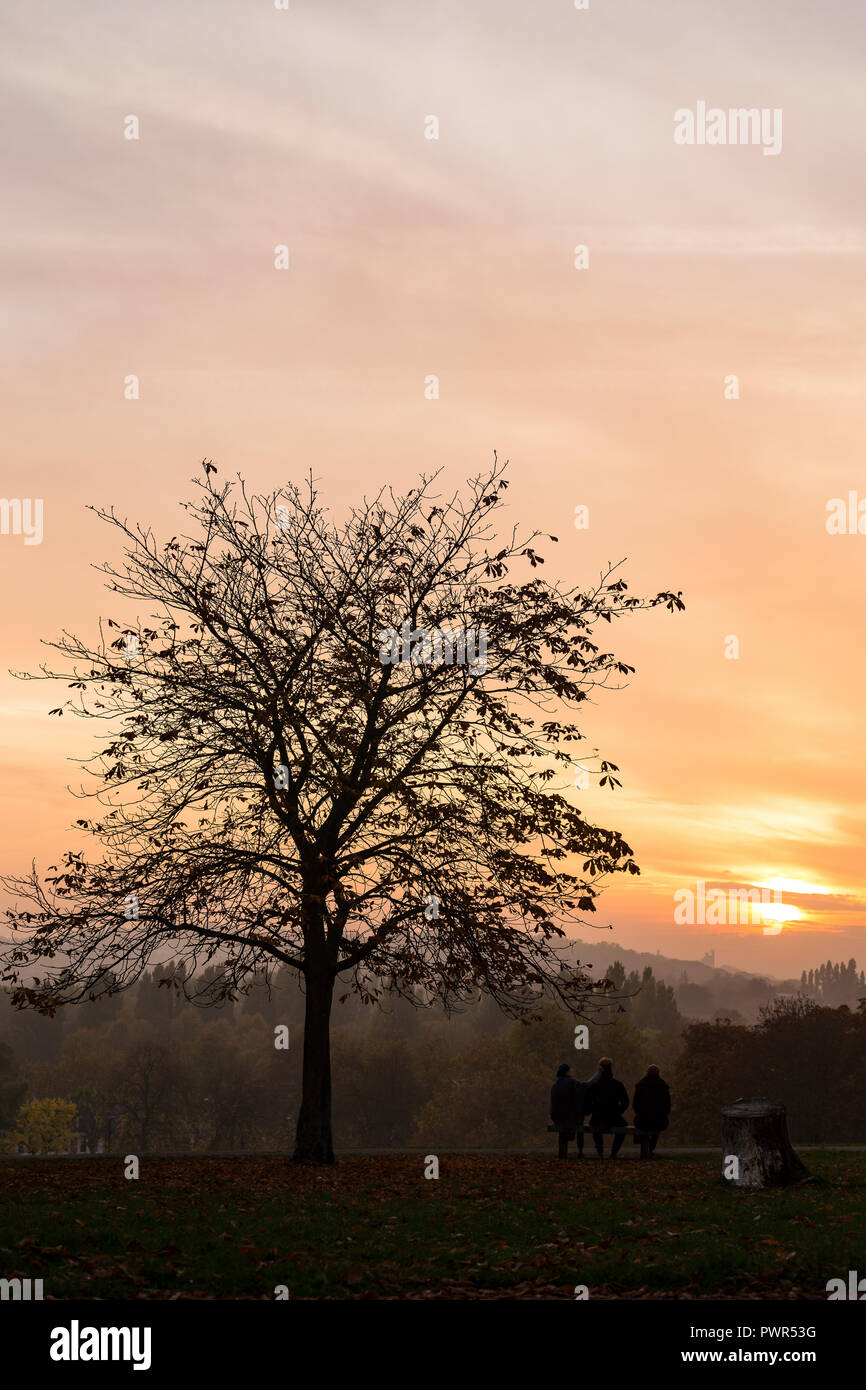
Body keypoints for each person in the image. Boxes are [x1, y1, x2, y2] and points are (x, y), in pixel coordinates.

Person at [584, 1057, 629, 1158]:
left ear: (599, 1069)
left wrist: (592, 1110)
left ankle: (600, 1151)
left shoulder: (594, 1085)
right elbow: (625, 1102)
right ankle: (614, 1152)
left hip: (597, 1117)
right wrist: (618, 1112)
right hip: (614, 1117)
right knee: (623, 1128)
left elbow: (587, 1101)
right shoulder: (617, 1084)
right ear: (611, 1068)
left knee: (595, 1126)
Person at [549, 1062, 588, 1159]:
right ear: (567, 1072)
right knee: (580, 1121)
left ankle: (562, 1152)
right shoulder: (572, 1082)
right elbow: (584, 1088)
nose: (572, 1071)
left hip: (557, 1118)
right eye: (570, 1070)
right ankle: (580, 1151)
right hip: (570, 1119)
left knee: (567, 1122)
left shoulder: (555, 1085)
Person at [632, 1064, 671, 1157]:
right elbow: (667, 1105)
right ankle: (650, 1148)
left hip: (642, 1119)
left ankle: (646, 1149)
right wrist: (662, 1114)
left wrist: (640, 1113)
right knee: (656, 1128)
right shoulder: (663, 1087)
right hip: (659, 1120)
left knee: (644, 1127)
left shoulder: (640, 1086)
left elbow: (635, 1104)